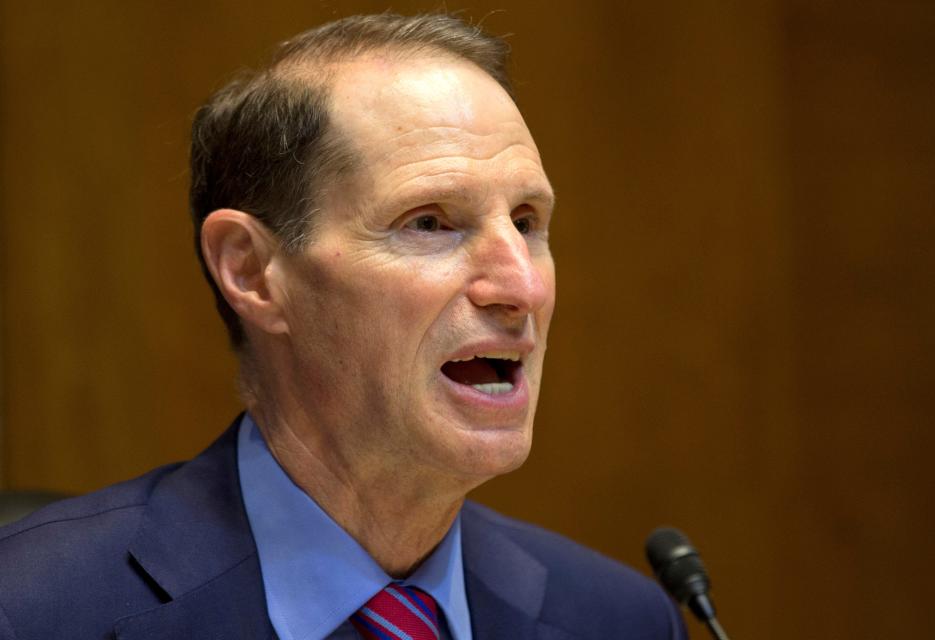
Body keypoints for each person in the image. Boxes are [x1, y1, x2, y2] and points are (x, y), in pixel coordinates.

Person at [0, 14, 686, 640]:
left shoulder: (622, 619)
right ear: (252, 272)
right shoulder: (34, 610)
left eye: (528, 223)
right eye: (430, 223)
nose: (522, 287)